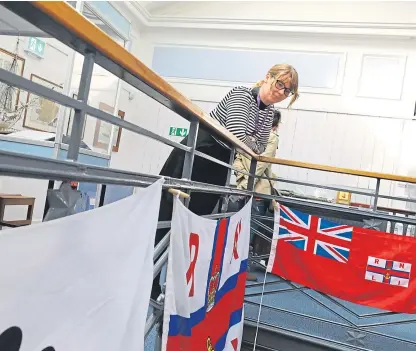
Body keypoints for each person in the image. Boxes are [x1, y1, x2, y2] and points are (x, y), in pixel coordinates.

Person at [152, 64, 299, 300]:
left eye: (288, 90)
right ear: (266, 78)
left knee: (197, 223)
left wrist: (250, 142)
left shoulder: (268, 112)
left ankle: (176, 285)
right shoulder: (241, 94)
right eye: (279, 83)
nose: (281, 91)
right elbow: (238, 135)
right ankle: (151, 286)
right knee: (167, 219)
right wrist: (250, 141)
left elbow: (258, 148)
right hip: (197, 154)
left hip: (220, 163)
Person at [232, 110, 281, 281]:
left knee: (243, 228)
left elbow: (240, 159)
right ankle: (240, 269)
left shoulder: (248, 135)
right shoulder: (272, 137)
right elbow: (259, 165)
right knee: (248, 229)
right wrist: (245, 183)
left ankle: (237, 266)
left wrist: (242, 181)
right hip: (255, 190)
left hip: (245, 187)